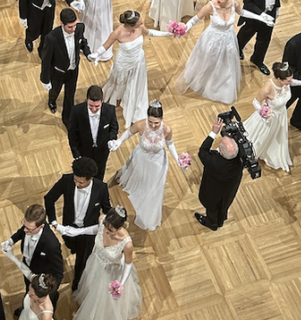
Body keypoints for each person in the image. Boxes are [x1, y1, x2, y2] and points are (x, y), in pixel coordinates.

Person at [68, 206, 142, 320]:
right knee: (89, 288)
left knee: (102, 301)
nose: (107, 231)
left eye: (111, 230)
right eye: (106, 227)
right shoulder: (102, 220)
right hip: (96, 263)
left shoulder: (127, 244)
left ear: (120, 227)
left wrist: (120, 283)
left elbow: (128, 264)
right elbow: (95, 230)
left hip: (110, 274)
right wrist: (77, 231)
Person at [109, 100, 187, 231]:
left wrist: (177, 158)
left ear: (162, 119)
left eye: (156, 122)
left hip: (158, 163)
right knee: (140, 179)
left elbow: (170, 144)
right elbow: (129, 133)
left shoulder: (167, 129)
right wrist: (119, 141)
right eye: (150, 122)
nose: (153, 125)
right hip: (141, 159)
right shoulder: (140, 125)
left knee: (153, 188)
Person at [43, 156, 111, 291]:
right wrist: (54, 221)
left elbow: (107, 208)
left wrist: (110, 219)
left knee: (82, 260)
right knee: (69, 243)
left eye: (80, 182)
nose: (76, 184)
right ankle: (72, 246)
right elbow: (49, 198)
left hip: (88, 233)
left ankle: (77, 283)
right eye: (75, 180)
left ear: (90, 179)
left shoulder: (101, 188)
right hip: (68, 226)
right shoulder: (67, 180)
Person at [177, 0, 242, 103]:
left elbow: (242, 13)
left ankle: (221, 86)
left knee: (226, 63)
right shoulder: (210, 6)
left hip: (228, 38)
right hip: (212, 38)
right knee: (208, 61)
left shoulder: (234, 4)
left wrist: (259, 17)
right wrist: (185, 28)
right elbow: (196, 19)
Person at [1, 203, 65, 309]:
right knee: (29, 290)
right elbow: (21, 231)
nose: (25, 231)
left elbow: (59, 272)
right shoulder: (29, 227)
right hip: (28, 266)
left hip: (41, 280)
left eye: (29, 229)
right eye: (24, 225)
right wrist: (11, 241)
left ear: (41, 226)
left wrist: (48, 292)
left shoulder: (51, 244)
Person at [39, 7, 92, 122]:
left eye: (74, 25)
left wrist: (88, 53)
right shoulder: (51, 38)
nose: (73, 29)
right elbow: (46, 60)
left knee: (70, 95)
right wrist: (45, 79)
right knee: (55, 91)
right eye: (70, 27)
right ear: (62, 23)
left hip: (73, 70)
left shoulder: (79, 28)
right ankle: (52, 101)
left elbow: (83, 42)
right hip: (57, 72)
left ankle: (67, 119)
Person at [241, 61, 294, 172]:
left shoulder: (286, 83)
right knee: (262, 136)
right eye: (288, 80)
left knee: (275, 136)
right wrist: (262, 111)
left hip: (281, 115)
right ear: (280, 79)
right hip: (270, 117)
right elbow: (256, 101)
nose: (290, 82)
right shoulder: (268, 88)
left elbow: (293, 83)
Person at [194, 115, 244, 230]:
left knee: (212, 208)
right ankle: (220, 220)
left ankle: (212, 223)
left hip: (213, 192)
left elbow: (202, 151)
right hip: (229, 191)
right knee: (224, 205)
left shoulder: (214, 162)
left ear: (220, 152)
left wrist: (213, 133)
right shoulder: (239, 160)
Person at [236, 0, 283, 74]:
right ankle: (237, 49)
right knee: (245, 34)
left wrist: (276, 8)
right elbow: (247, 2)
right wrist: (261, 14)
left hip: (270, 12)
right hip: (254, 14)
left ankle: (257, 59)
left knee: (264, 39)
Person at [68, 85, 119, 179]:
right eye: (91, 106)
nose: (94, 109)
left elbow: (114, 128)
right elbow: (72, 134)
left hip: (102, 151)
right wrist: (76, 154)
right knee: (84, 175)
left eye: (97, 106)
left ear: (102, 102)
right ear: (87, 100)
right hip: (84, 150)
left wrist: (112, 140)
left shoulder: (110, 110)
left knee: (100, 173)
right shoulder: (77, 111)